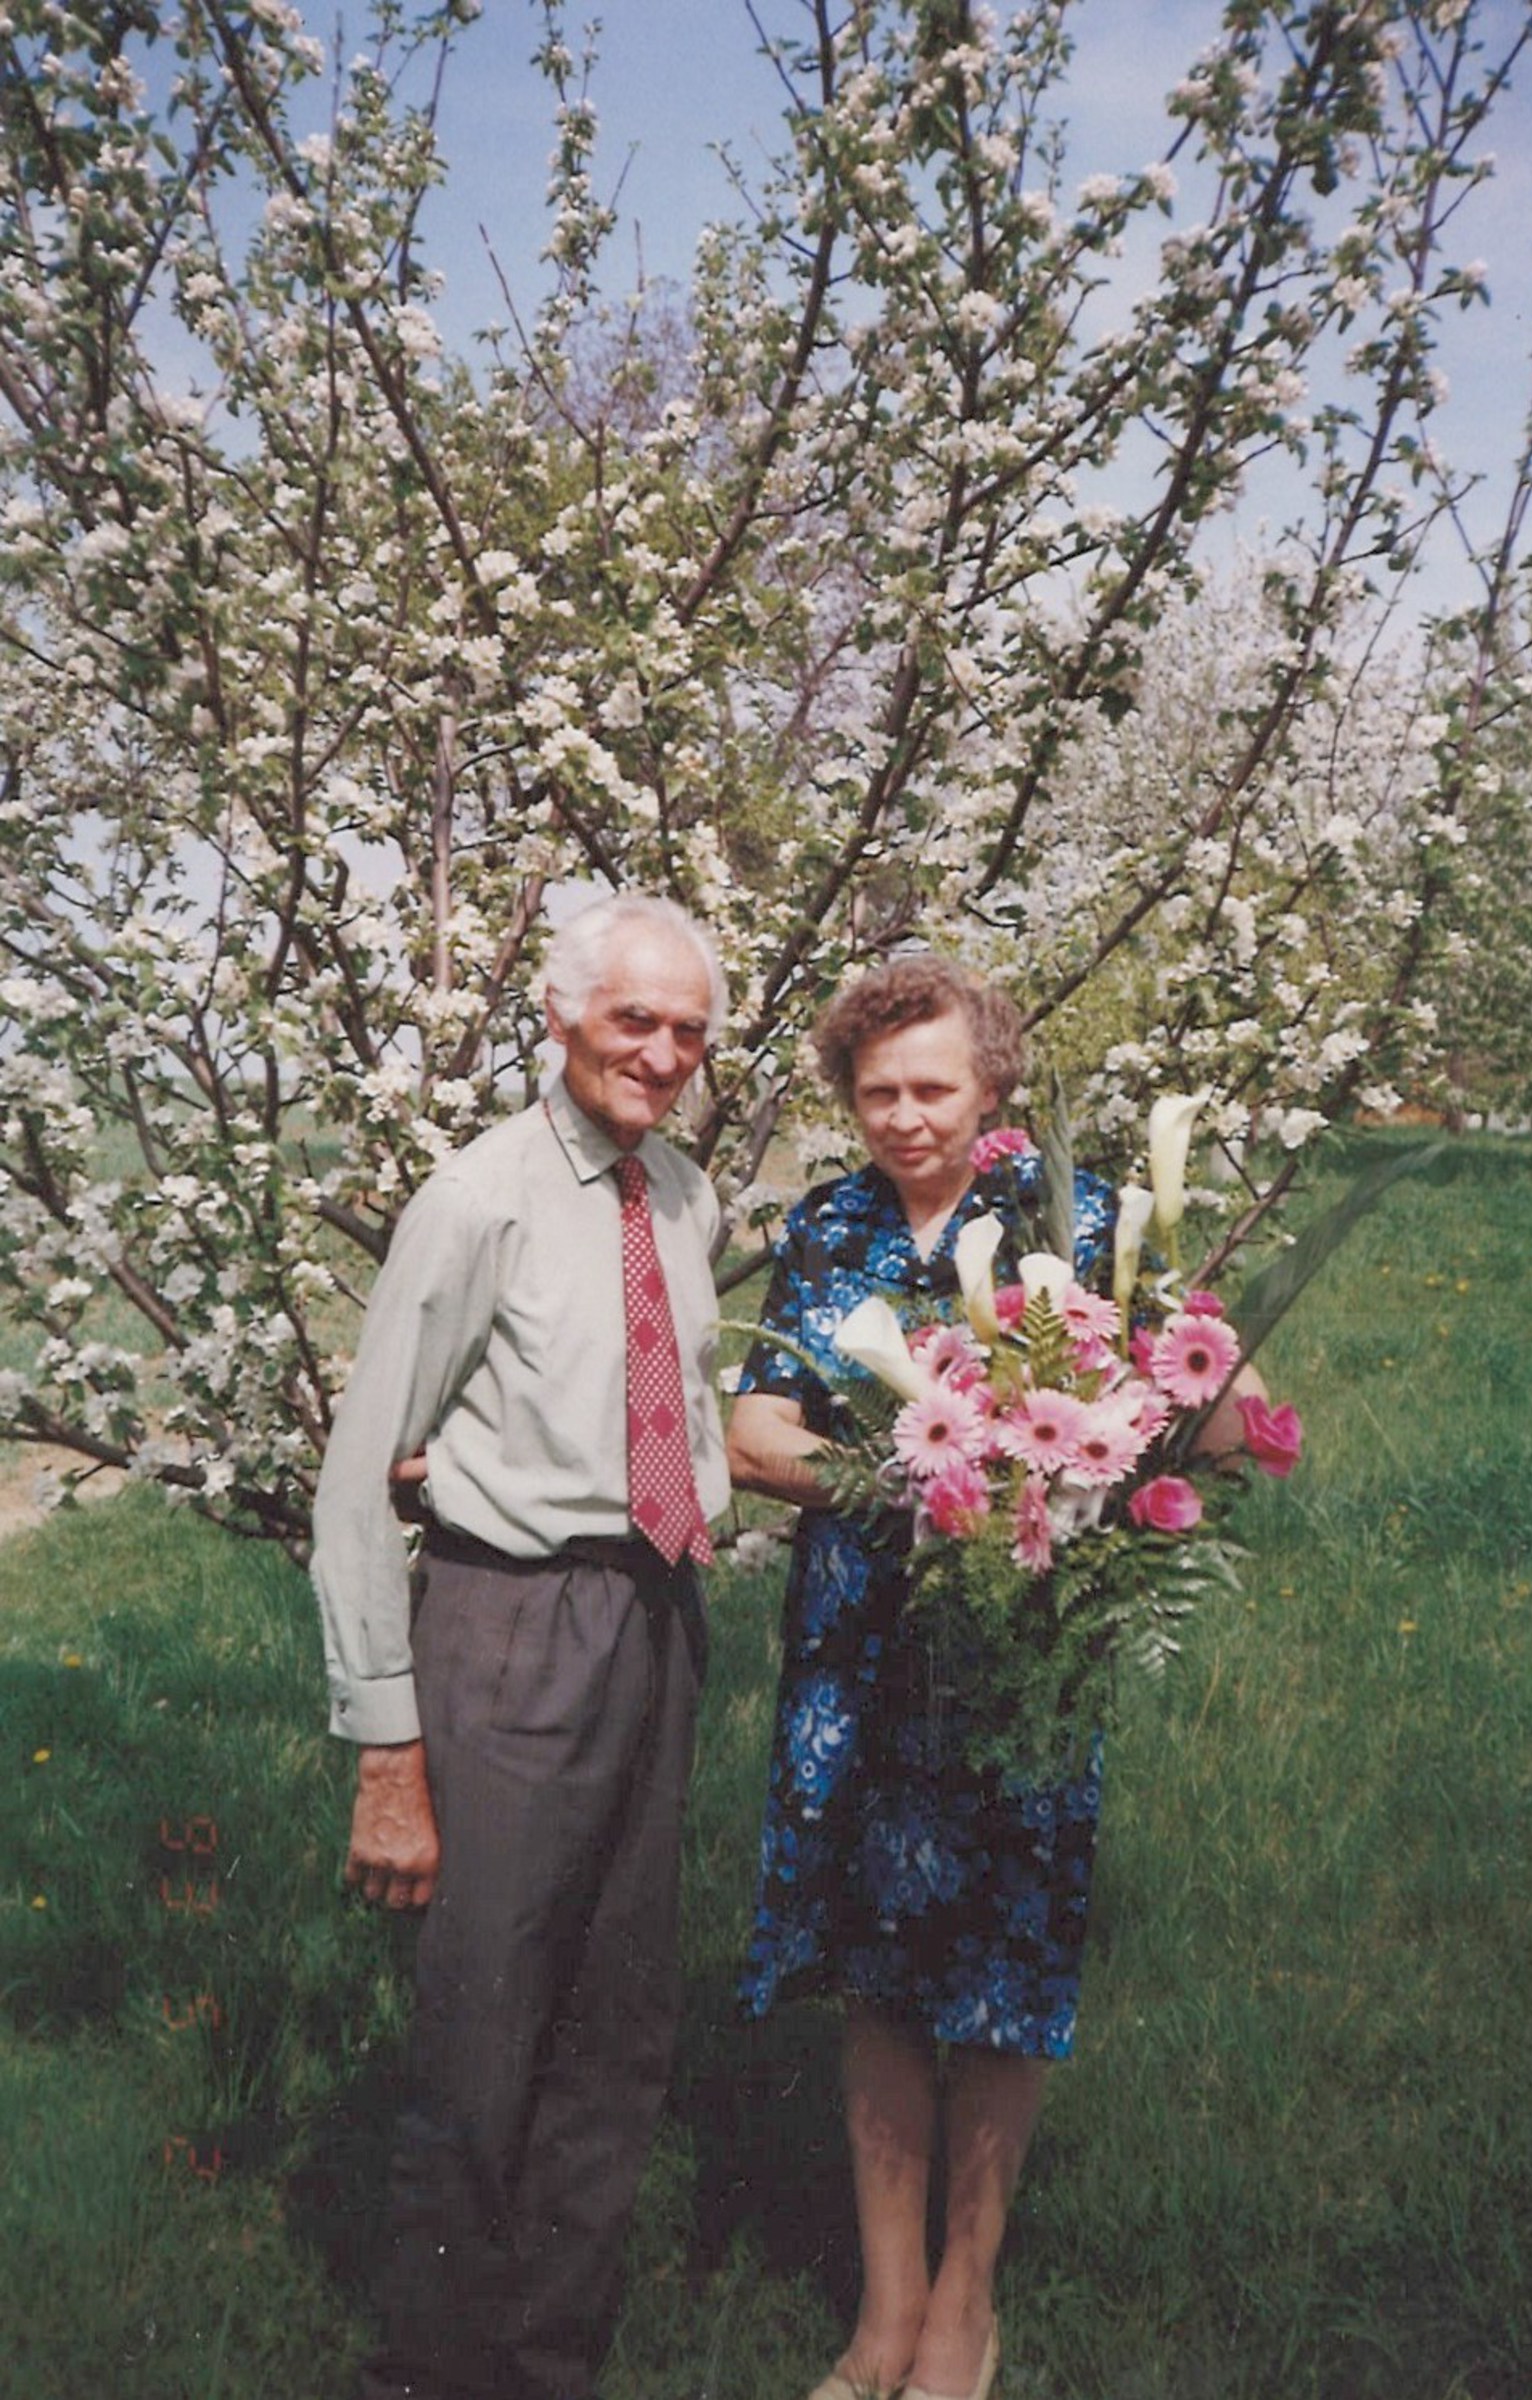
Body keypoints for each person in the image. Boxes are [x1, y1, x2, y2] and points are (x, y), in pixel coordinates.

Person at [726, 954, 1255, 2400]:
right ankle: (884, 2306)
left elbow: (1208, 1400)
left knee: (1002, 1970)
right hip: (856, 1644)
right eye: (877, 1092)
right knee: (876, 1971)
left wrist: (1136, 1444)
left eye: (932, 1089)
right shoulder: (827, 1224)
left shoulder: (1074, 1217)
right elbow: (755, 1433)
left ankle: (965, 2301)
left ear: (992, 1086)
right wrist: (915, 1473)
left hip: (1020, 1651)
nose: (905, 1117)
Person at [311, 891, 730, 2400]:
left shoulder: (683, 1195)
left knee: (617, 2028)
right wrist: (387, 1747)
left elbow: (669, 1415)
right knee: (483, 2029)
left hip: (656, 1619)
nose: (662, 1054)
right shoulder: (477, 1198)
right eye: (634, 1019)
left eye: (689, 1031)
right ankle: (428, 2370)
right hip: (511, 1630)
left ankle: (550, 2362)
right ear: (558, 1017)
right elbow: (358, 1479)